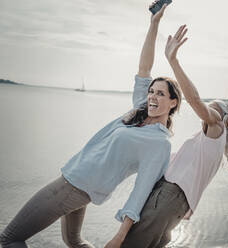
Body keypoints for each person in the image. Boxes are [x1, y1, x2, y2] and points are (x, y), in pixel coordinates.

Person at [0, 3, 181, 248]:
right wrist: (154, 24)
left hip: (73, 188)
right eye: (151, 91)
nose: (152, 97)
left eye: (160, 94)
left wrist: (120, 236)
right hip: (76, 180)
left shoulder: (159, 143)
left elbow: (141, 191)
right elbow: (144, 68)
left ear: (173, 102)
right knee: (74, 241)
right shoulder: (140, 111)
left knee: (10, 238)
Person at [106, 25, 228, 248]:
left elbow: (196, 101)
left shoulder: (217, 131)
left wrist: (173, 61)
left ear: (224, 119)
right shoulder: (206, 142)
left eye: (214, 109)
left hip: (170, 195)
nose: (209, 111)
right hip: (173, 201)